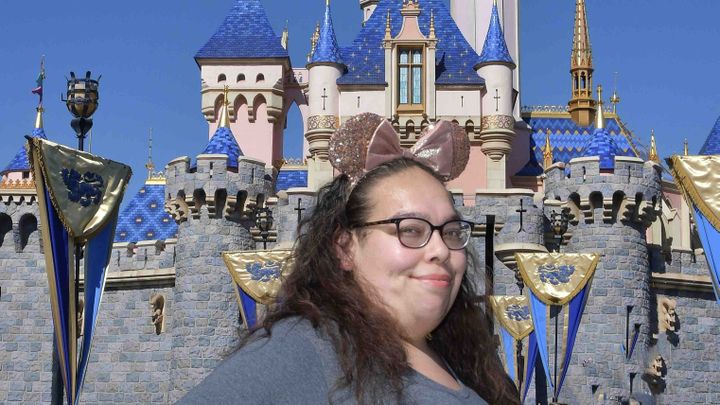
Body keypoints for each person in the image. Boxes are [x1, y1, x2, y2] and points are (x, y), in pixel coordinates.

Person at [178, 113, 519, 404]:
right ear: (345, 247)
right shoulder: (312, 347)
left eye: (452, 232)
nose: (441, 250)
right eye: (411, 230)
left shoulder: (466, 362)